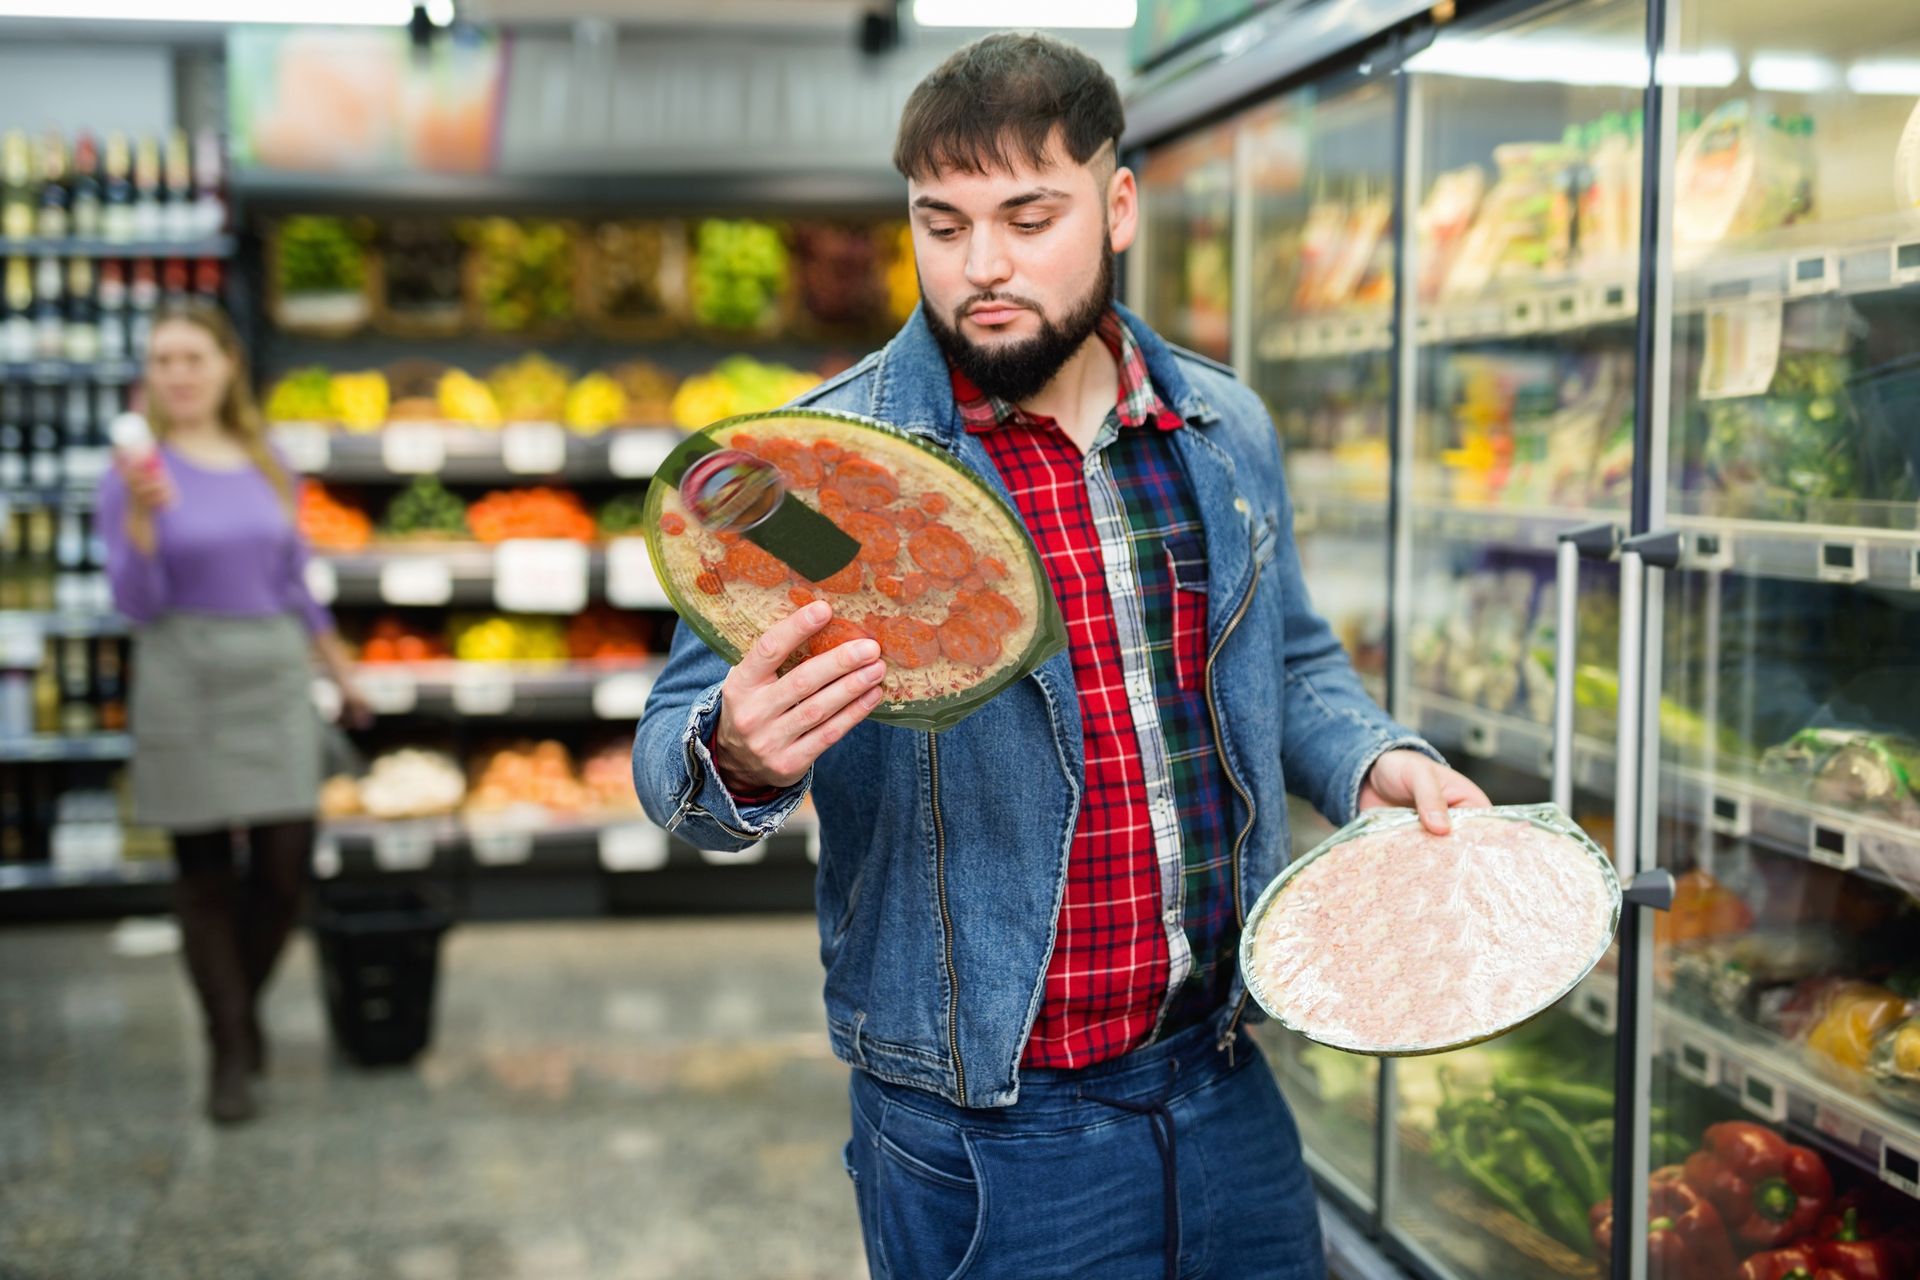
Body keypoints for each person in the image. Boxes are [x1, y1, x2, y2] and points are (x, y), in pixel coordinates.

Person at [634, 33, 1490, 1279]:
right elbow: (675, 761)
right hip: (987, 1125)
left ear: (1118, 204)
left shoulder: (1214, 425)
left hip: (1226, 1080)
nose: (982, 266)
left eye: (1029, 216)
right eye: (943, 223)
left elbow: (1293, 662)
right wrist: (737, 753)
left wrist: (1376, 762)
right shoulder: (816, 474)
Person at [98, 301, 369, 1126]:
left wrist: (340, 667)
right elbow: (133, 602)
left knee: (287, 863)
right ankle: (228, 1048)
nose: (177, 374)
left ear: (226, 366)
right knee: (204, 869)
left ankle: (235, 1007)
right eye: (162, 360)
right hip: (180, 666)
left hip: (271, 667)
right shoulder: (132, 473)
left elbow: (294, 579)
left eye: (192, 357)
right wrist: (143, 516)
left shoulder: (267, 457)